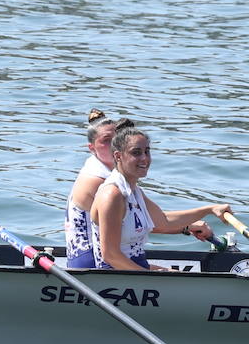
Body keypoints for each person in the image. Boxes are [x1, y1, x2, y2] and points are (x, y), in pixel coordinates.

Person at [65, 109, 215, 268]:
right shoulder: (100, 185)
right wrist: (187, 227)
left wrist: (208, 211)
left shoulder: (127, 184)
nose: (112, 145)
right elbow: (138, 225)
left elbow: (156, 219)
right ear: (92, 148)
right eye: (106, 141)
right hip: (90, 263)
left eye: (116, 139)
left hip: (124, 258)